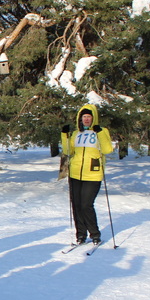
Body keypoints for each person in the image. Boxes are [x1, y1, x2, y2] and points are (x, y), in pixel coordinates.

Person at [61, 104, 114, 245]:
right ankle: (81, 235)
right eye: (84, 117)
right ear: (80, 118)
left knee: (86, 205)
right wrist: (64, 135)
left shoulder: (101, 131)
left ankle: (95, 234)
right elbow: (68, 150)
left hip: (93, 174)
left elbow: (108, 150)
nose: (86, 119)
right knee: (77, 205)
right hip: (76, 173)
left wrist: (100, 133)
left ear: (93, 118)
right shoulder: (76, 134)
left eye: (89, 117)